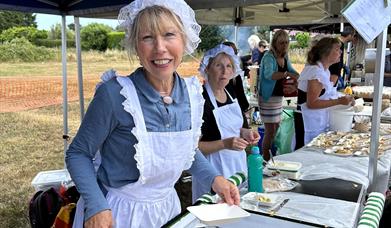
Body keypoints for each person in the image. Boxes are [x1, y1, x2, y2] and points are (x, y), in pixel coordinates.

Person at [65, 1, 240, 227]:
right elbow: (78, 153)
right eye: (147, 37)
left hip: (166, 209)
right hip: (118, 213)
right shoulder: (115, 95)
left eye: (169, 34)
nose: (159, 48)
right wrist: (96, 204)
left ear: (184, 40)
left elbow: (186, 150)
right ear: (136, 46)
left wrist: (215, 179)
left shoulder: (192, 93)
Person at [192, 44, 260, 202]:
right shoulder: (200, 101)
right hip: (213, 172)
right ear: (207, 68)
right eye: (218, 65)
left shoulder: (231, 93)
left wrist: (246, 133)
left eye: (229, 66)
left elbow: (239, 127)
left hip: (237, 165)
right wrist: (225, 143)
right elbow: (194, 147)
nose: (225, 71)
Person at [298, 37, 355, 144]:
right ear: (326, 53)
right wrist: (339, 101)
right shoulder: (315, 72)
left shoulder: (325, 71)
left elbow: (326, 95)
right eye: (337, 50)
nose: (341, 52)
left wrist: (343, 99)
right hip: (308, 123)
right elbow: (312, 103)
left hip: (318, 122)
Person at [257, 30, 299, 160]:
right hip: (267, 98)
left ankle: (270, 155)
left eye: (286, 42)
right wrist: (286, 74)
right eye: (281, 43)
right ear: (275, 43)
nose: (284, 45)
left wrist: (297, 76)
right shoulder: (269, 57)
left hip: (279, 97)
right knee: (270, 130)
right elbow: (269, 75)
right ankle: (265, 157)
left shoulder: (285, 57)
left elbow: (293, 71)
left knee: (275, 128)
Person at [223, 41, 250, 112]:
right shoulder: (233, 75)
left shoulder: (235, 74)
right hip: (233, 110)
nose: (236, 54)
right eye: (234, 52)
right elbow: (242, 101)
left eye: (236, 51)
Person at [329, 25, 355, 90]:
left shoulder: (340, 43)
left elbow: (338, 59)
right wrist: (336, 77)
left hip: (336, 74)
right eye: (353, 36)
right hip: (333, 74)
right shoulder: (337, 44)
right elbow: (332, 60)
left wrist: (343, 66)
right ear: (349, 35)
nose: (353, 38)